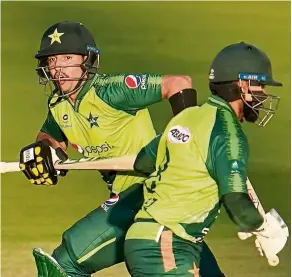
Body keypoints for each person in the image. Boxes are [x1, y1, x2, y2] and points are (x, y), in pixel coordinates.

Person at [18, 21, 225, 277]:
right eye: (52, 60)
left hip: (148, 191)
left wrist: (188, 137)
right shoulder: (58, 105)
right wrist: (45, 152)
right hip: (140, 200)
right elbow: (49, 135)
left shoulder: (110, 90)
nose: (58, 67)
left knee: (66, 263)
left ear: (87, 60)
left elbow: (179, 83)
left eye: (67, 57)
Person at [88, 42, 288, 276]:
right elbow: (235, 200)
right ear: (242, 85)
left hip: (149, 239)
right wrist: (263, 226)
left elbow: (144, 161)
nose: (263, 94)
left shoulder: (188, 117)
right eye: (260, 85)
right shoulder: (228, 133)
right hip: (167, 244)